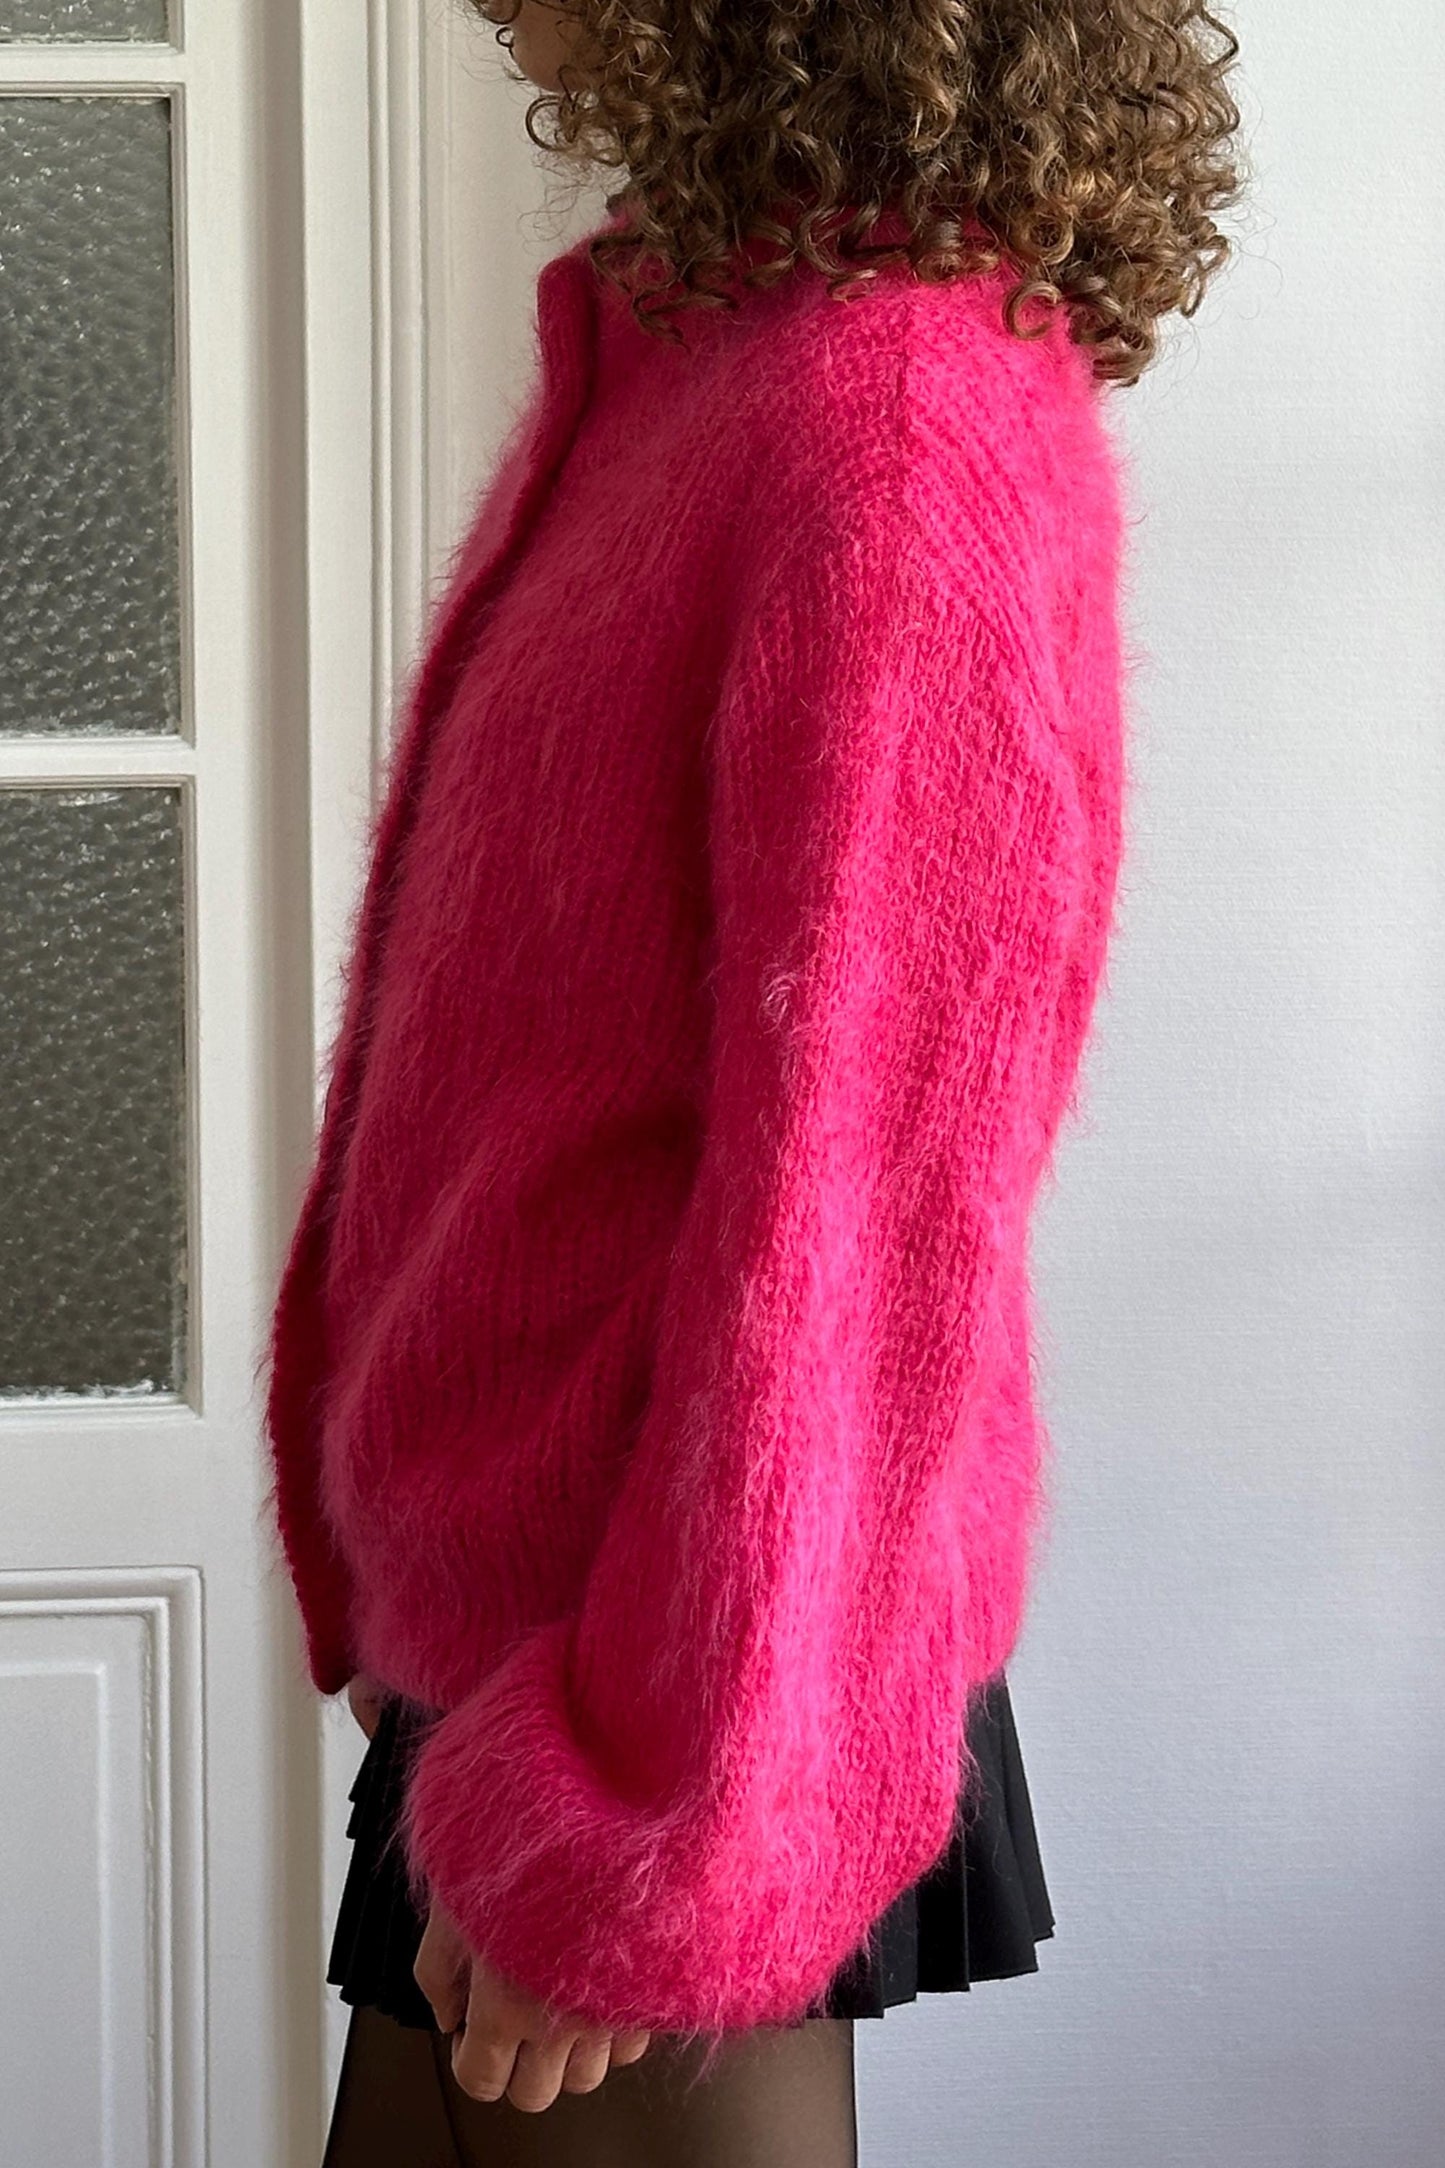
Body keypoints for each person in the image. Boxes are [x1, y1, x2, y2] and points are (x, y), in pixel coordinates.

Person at [264, 0, 1244, 2159]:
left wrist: (638, 1815)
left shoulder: (883, 433)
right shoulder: (713, 360)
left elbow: (862, 1219)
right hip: (553, 1637)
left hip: (685, 1673)